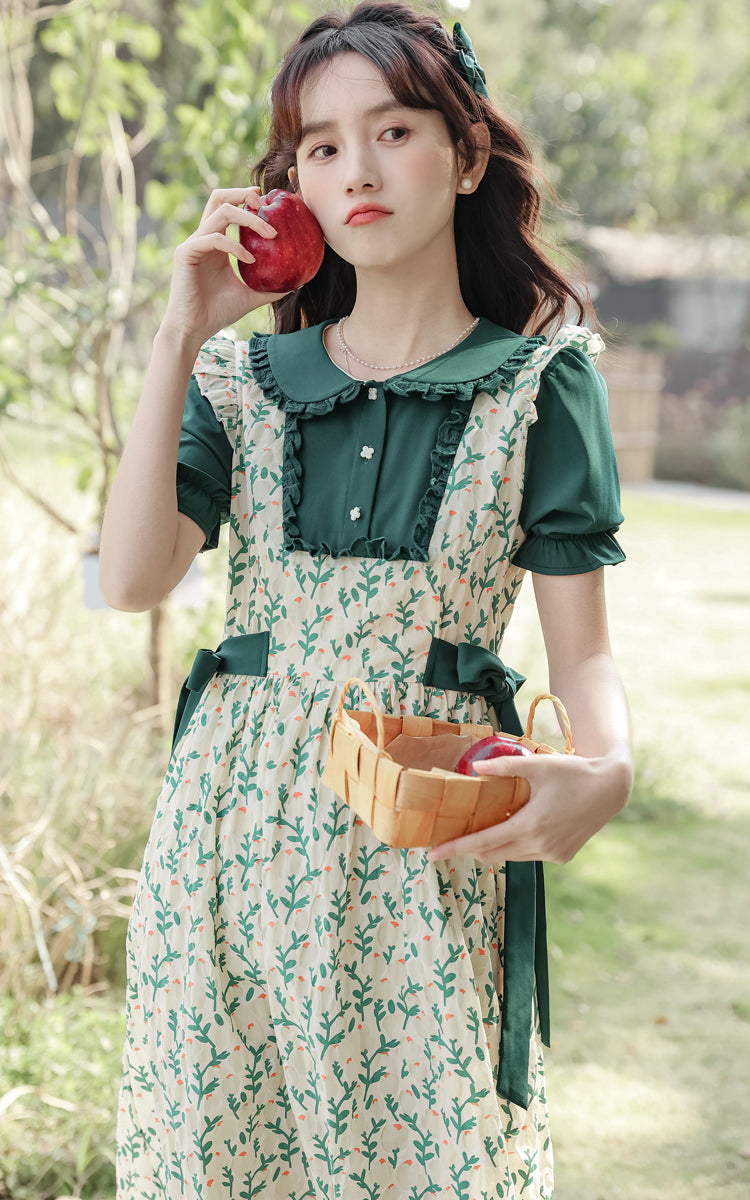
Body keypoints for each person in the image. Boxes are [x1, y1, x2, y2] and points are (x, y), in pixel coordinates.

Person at [99, 4, 632, 1197]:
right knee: (218, 1157)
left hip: (419, 838)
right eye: (321, 148)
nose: (356, 170)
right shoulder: (240, 376)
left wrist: (609, 770)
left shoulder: (542, 382)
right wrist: (180, 331)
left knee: (421, 1159)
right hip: (226, 838)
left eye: (392, 130)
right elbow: (132, 580)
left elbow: (582, 651)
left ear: (467, 153)